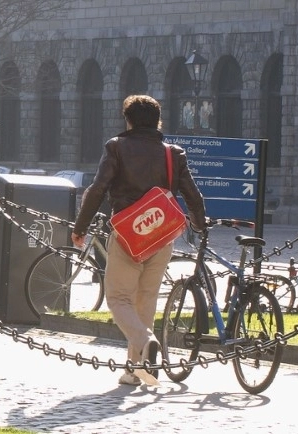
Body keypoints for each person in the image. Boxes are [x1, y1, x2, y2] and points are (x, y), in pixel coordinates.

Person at [72, 95, 206, 387]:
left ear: (128, 120)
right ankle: (137, 370)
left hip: (128, 235)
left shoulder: (116, 147)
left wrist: (80, 227)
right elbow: (193, 195)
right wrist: (199, 225)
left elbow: (98, 189)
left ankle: (146, 343)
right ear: (158, 121)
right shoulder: (173, 153)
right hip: (162, 236)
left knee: (118, 298)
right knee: (145, 300)